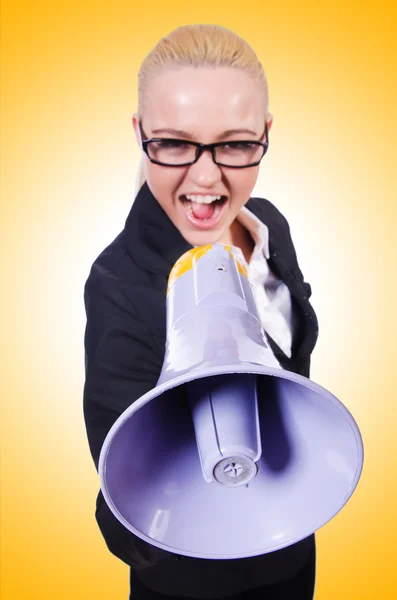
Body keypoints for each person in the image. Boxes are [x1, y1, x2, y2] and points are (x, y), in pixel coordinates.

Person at [83, 24, 319, 600]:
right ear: (141, 135)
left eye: (235, 143)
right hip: (190, 581)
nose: (206, 177)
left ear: (265, 134)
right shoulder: (120, 286)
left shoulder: (268, 223)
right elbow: (131, 507)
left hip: (290, 554)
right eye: (174, 143)